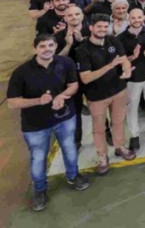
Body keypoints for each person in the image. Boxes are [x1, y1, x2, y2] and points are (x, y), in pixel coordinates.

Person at [7, 34, 90, 212]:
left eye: (51, 45)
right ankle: (39, 190)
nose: (47, 49)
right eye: (43, 46)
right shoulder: (21, 72)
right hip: (36, 125)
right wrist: (38, 101)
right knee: (38, 157)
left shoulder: (65, 63)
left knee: (69, 148)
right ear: (35, 49)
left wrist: (62, 96)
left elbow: (73, 85)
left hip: (64, 118)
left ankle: (73, 176)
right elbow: (12, 102)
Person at [75, 13, 136, 175]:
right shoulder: (83, 50)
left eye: (105, 26)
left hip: (118, 90)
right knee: (99, 129)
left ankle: (120, 147)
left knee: (118, 122)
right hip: (97, 97)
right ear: (91, 28)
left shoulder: (113, 40)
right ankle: (102, 156)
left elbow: (124, 60)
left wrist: (127, 70)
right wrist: (109, 66)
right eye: (99, 26)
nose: (103, 29)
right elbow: (86, 78)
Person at [117, 8, 145, 151]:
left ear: (144, 17)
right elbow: (120, 60)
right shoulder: (121, 38)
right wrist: (132, 57)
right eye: (134, 18)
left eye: (139, 17)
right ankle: (134, 135)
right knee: (132, 108)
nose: (137, 20)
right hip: (133, 79)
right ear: (129, 18)